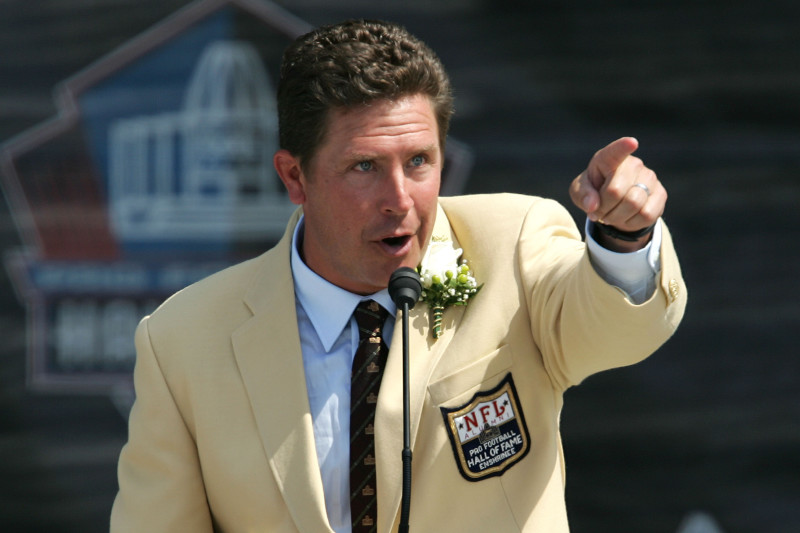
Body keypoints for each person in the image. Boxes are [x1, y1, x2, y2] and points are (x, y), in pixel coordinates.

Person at [110, 19, 686, 532]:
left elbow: (617, 327)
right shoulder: (182, 340)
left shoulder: (512, 243)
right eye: (364, 166)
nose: (399, 199)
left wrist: (622, 238)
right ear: (294, 176)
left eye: (419, 162)